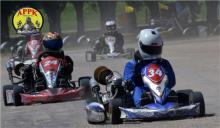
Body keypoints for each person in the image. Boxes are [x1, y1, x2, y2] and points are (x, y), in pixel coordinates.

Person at [123, 28, 176, 108]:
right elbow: (129, 84)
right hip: (142, 90)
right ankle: (144, 103)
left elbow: (172, 82)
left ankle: (168, 101)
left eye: (156, 49)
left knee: (169, 91)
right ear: (141, 45)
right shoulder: (132, 65)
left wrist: (164, 81)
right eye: (149, 49)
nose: (153, 52)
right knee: (138, 91)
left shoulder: (164, 63)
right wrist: (133, 80)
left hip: (160, 89)